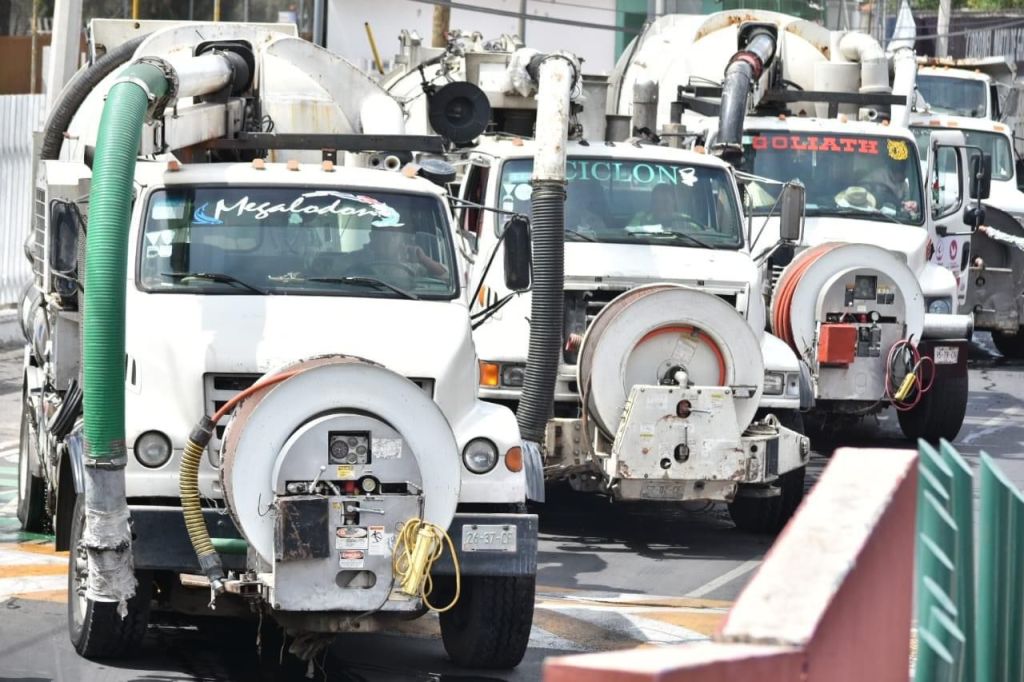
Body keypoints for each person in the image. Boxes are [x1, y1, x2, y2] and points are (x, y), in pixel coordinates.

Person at [350, 227, 448, 278]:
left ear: (401, 241)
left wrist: (424, 259)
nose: (388, 240)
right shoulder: (356, 258)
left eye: (394, 236)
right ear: (372, 237)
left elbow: (446, 277)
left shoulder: (412, 265)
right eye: (382, 235)